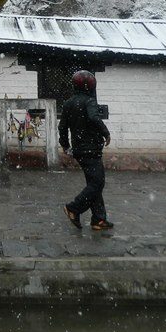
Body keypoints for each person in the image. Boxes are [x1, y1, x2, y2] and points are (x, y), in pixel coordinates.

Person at [58, 69, 113, 230]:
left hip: (79, 150)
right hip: (91, 149)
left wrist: (65, 145)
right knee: (97, 183)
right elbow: (93, 118)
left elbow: (62, 127)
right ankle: (73, 208)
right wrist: (106, 133)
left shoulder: (68, 103)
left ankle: (98, 219)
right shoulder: (89, 101)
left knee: (93, 183)